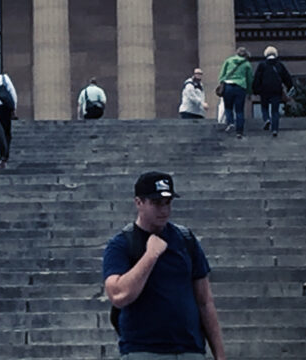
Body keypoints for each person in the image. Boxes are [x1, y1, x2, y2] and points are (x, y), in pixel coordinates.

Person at [102, 171, 226, 360]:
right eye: (156, 203)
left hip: (190, 350)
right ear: (139, 202)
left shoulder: (185, 239)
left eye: (167, 203)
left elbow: (204, 301)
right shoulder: (122, 244)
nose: (164, 210)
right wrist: (150, 255)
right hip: (143, 351)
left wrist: (220, 354)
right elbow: (118, 295)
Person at [252, 46, 293, 137]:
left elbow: (257, 78)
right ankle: (275, 129)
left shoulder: (262, 65)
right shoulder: (279, 65)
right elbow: (286, 77)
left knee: (264, 107)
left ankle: (266, 119)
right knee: (275, 111)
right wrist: (290, 87)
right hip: (276, 90)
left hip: (264, 90)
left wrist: (255, 90)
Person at [218, 47, 253, 139]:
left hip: (228, 86)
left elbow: (222, 75)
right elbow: (250, 79)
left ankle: (230, 123)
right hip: (240, 87)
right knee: (239, 110)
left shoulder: (228, 61)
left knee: (228, 107)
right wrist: (249, 91)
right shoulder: (247, 64)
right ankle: (239, 131)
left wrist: (222, 83)